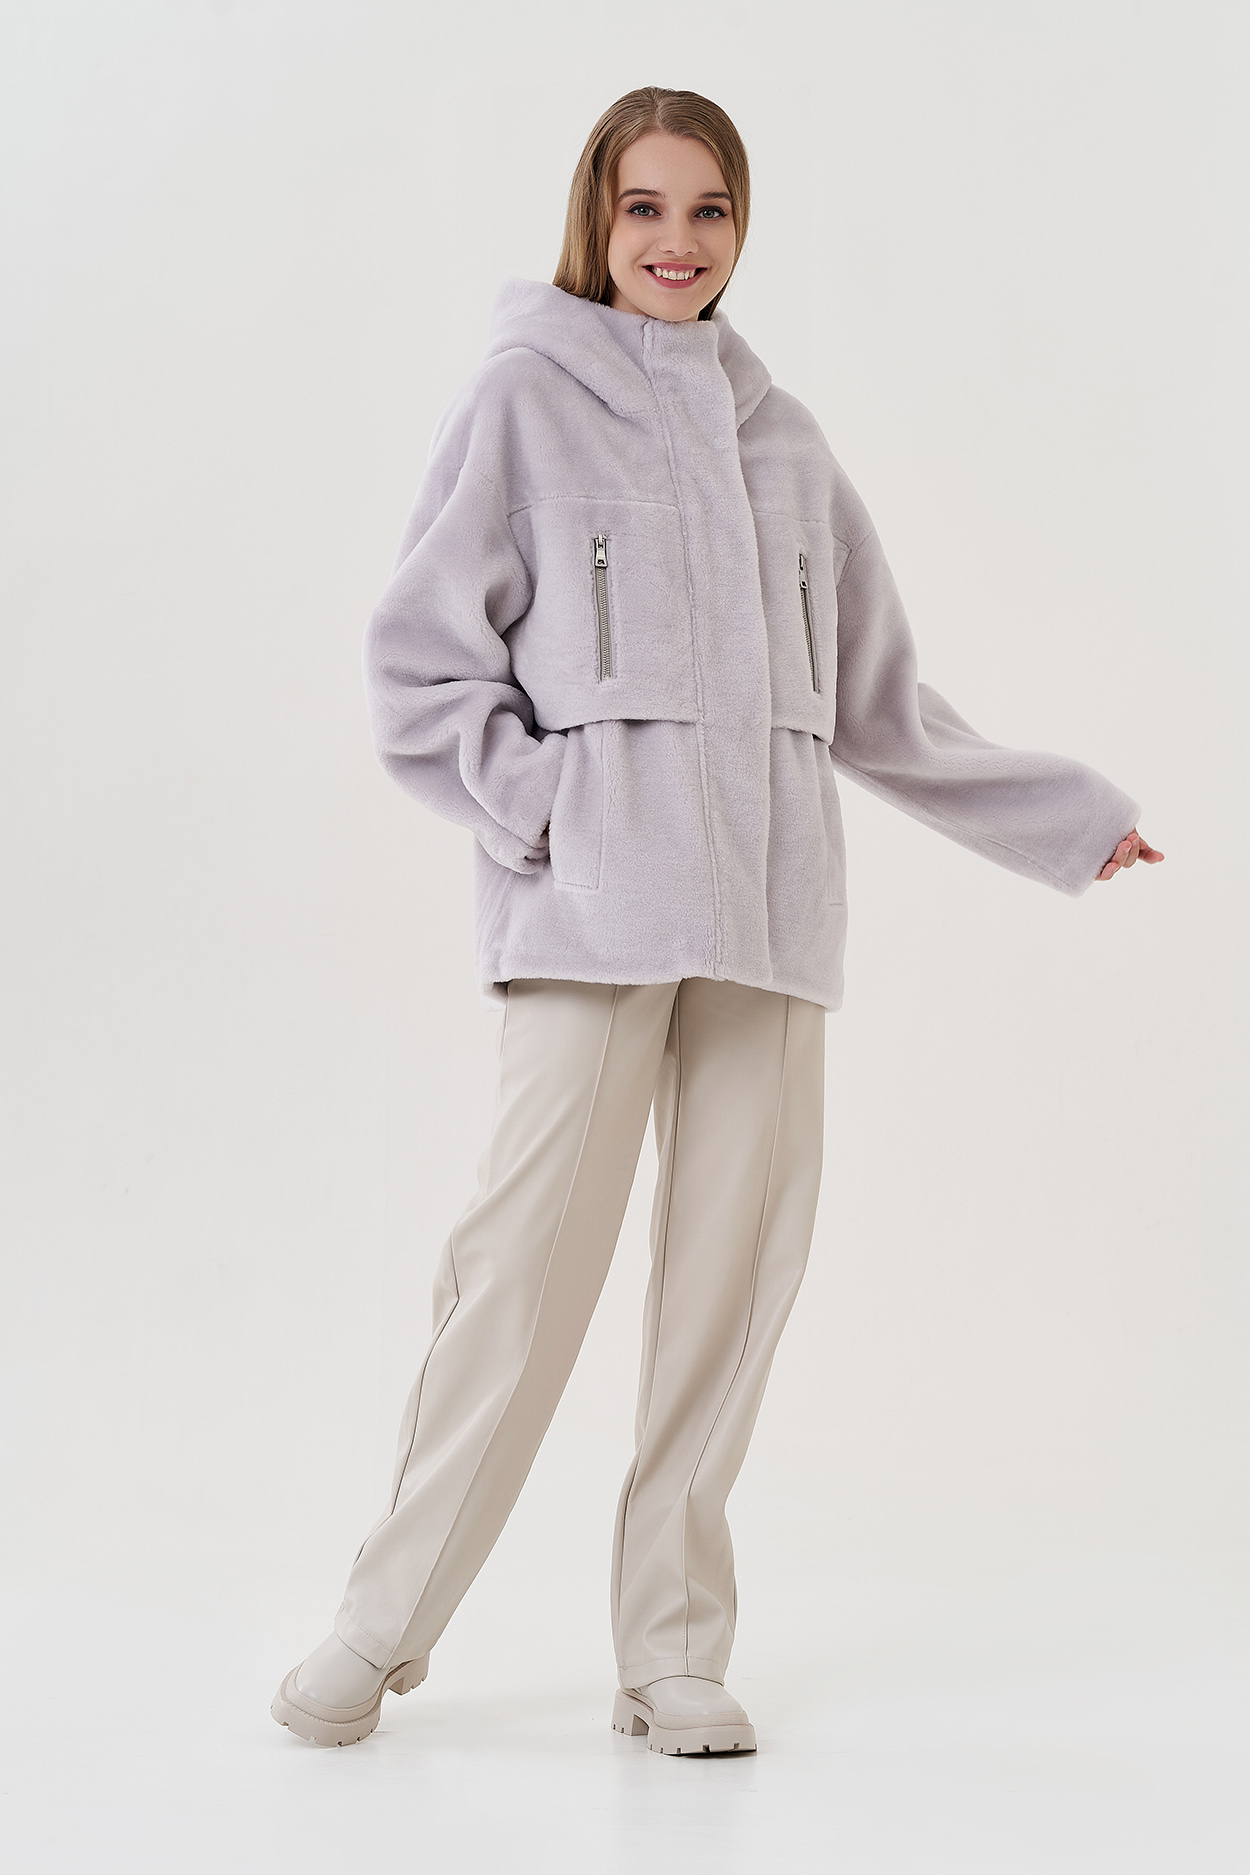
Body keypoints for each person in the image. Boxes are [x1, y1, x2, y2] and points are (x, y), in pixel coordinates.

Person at [271, 86, 1162, 1758]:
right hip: (587, 916)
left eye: (709, 211)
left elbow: (880, 703)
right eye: (645, 210)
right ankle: (378, 1624)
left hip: (770, 919)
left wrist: (1066, 818)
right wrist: (549, 809)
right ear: (594, 223)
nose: (677, 242)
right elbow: (418, 664)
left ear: (741, 228)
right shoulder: (524, 400)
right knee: (518, 1279)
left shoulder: (786, 444)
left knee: (727, 1296)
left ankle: (672, 1654)